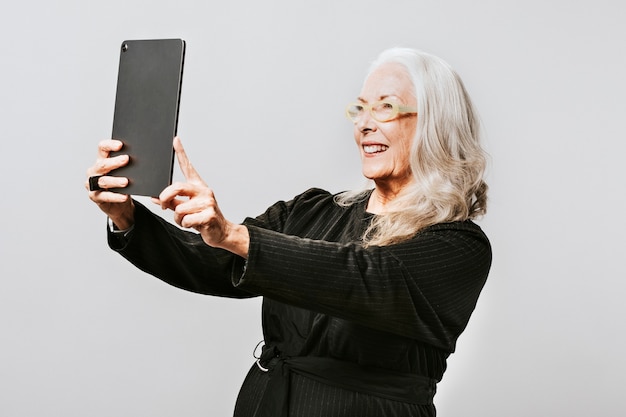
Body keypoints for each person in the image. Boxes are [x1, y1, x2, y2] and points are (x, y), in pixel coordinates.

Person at [86, 47, 491, 417]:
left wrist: (233, 234)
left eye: (385, 108)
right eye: (360, 109)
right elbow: (213, 261)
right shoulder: (313, 210)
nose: (365, 125)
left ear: (435, 123)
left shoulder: (458, 244)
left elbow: (364, 277)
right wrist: (127, 216)